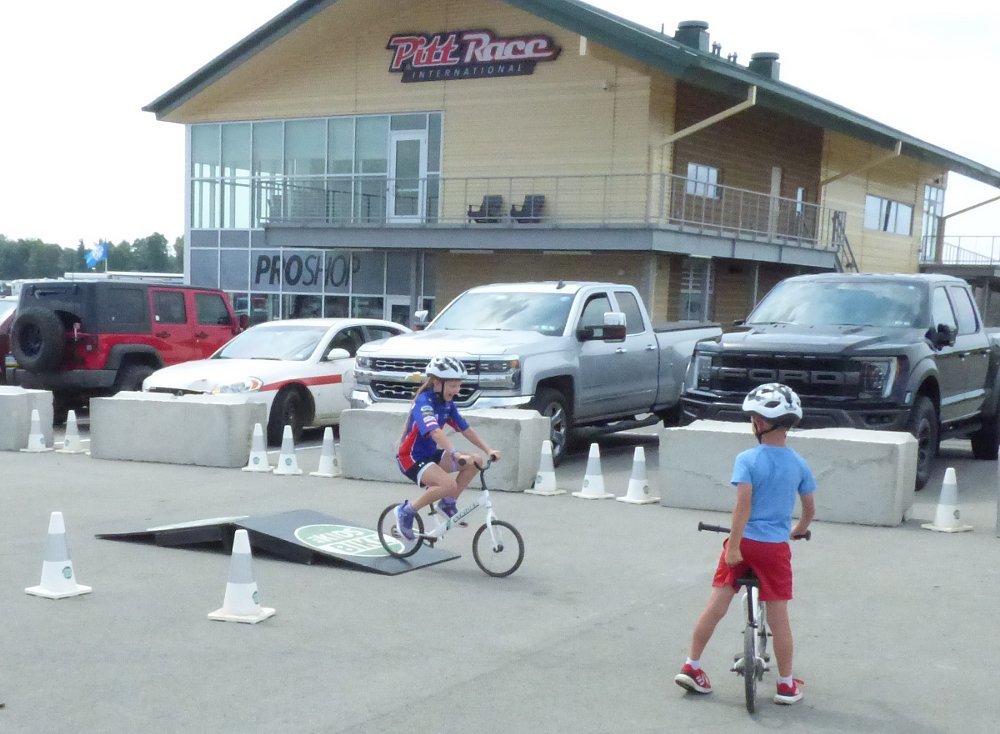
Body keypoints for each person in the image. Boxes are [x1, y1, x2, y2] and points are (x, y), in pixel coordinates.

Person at [674, 382, 816, 705]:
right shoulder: (798, 463)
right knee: (779, 618)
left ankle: (692, 665)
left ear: (760, 423)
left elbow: (743, 506)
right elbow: (809, 510)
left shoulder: (747, 459)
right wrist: (798, 529)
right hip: (775, 549)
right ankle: (785, 684)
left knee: (717, 604)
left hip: (745, 543)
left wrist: (734, 546)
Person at [394, 356, 501, 540]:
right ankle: (406, 511)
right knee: (447, 484)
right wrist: (455, 453)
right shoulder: (424, 402)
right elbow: (435, 432)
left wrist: (488, 449)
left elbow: (465, 429)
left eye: (459, 385)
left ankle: (447, 503)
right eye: (452, 386)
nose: (457, 391)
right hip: (410, 457)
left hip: (428, 455)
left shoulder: (447, 405)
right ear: (436, 383)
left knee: (476, 461)